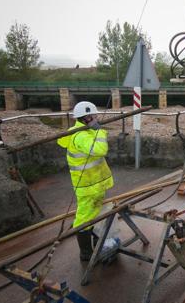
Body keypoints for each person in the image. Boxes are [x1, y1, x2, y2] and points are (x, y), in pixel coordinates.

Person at [57, 101, 114, 261]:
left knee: (94, 215)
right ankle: (86, 253)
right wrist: (99, 132)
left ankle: (96, 244)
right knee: (84, 218)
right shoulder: (81, 135)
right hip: (88, 186)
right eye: (94, 116)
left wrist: (95, 130)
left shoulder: (84, 131)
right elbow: (100, 150)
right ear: (87, 118)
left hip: (94, 185)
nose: (96, 117)